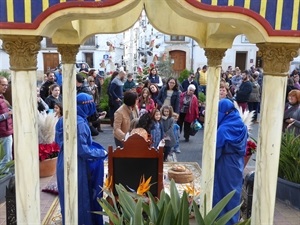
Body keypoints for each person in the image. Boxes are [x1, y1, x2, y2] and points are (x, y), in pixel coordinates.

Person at [55, 93, 106, 225]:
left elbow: (58, 140)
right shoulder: (80, 123)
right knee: (79, 199)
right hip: (77, 165)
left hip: (62, 161)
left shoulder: (63, 119)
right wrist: (101, 152)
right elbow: (82, 150)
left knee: (67, 198)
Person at [213, 98, 248, 225]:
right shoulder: (242, 126)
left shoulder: (223, 129)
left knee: (222, 194)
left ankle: (221, 221)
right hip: (237, 163)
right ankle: (233, 220)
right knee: (233, 193)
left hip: (225, 164)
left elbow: (216, 152)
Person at [0, 76, 13, 170]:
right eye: (3, 85)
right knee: (6, 160)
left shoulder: (2, 97)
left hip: (7, 131)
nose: (5, 87)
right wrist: (7, 114)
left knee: (8, 158)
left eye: (6, 85)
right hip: (3, 133)